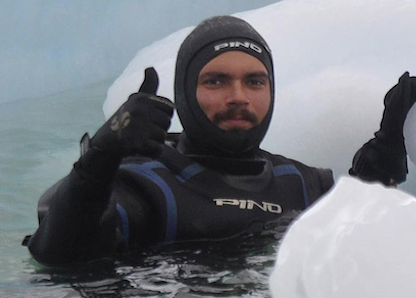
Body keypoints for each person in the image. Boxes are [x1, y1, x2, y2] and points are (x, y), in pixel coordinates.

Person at [24, 16, 334, 266]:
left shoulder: (304, 186)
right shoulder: (146, 184)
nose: (238, 97)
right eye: (216, 81)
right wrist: (101, 155)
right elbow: (60, 256)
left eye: (254, 81)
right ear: (184, 92)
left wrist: (382, 157)